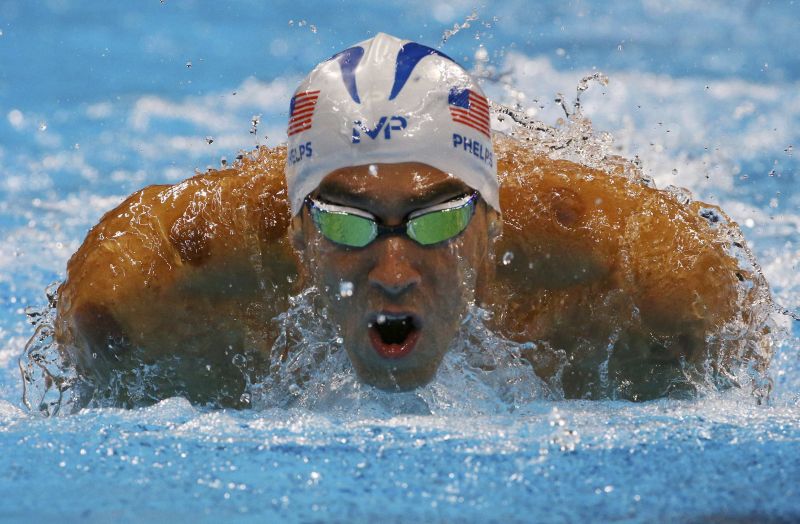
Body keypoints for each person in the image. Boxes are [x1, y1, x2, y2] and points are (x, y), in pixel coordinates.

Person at [42, 33, 771, 409]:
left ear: (491, 219)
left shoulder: (643, 287)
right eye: (349, 225)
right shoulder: (149, 298)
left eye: (436, 221)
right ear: (297, 232)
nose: (392, 275)